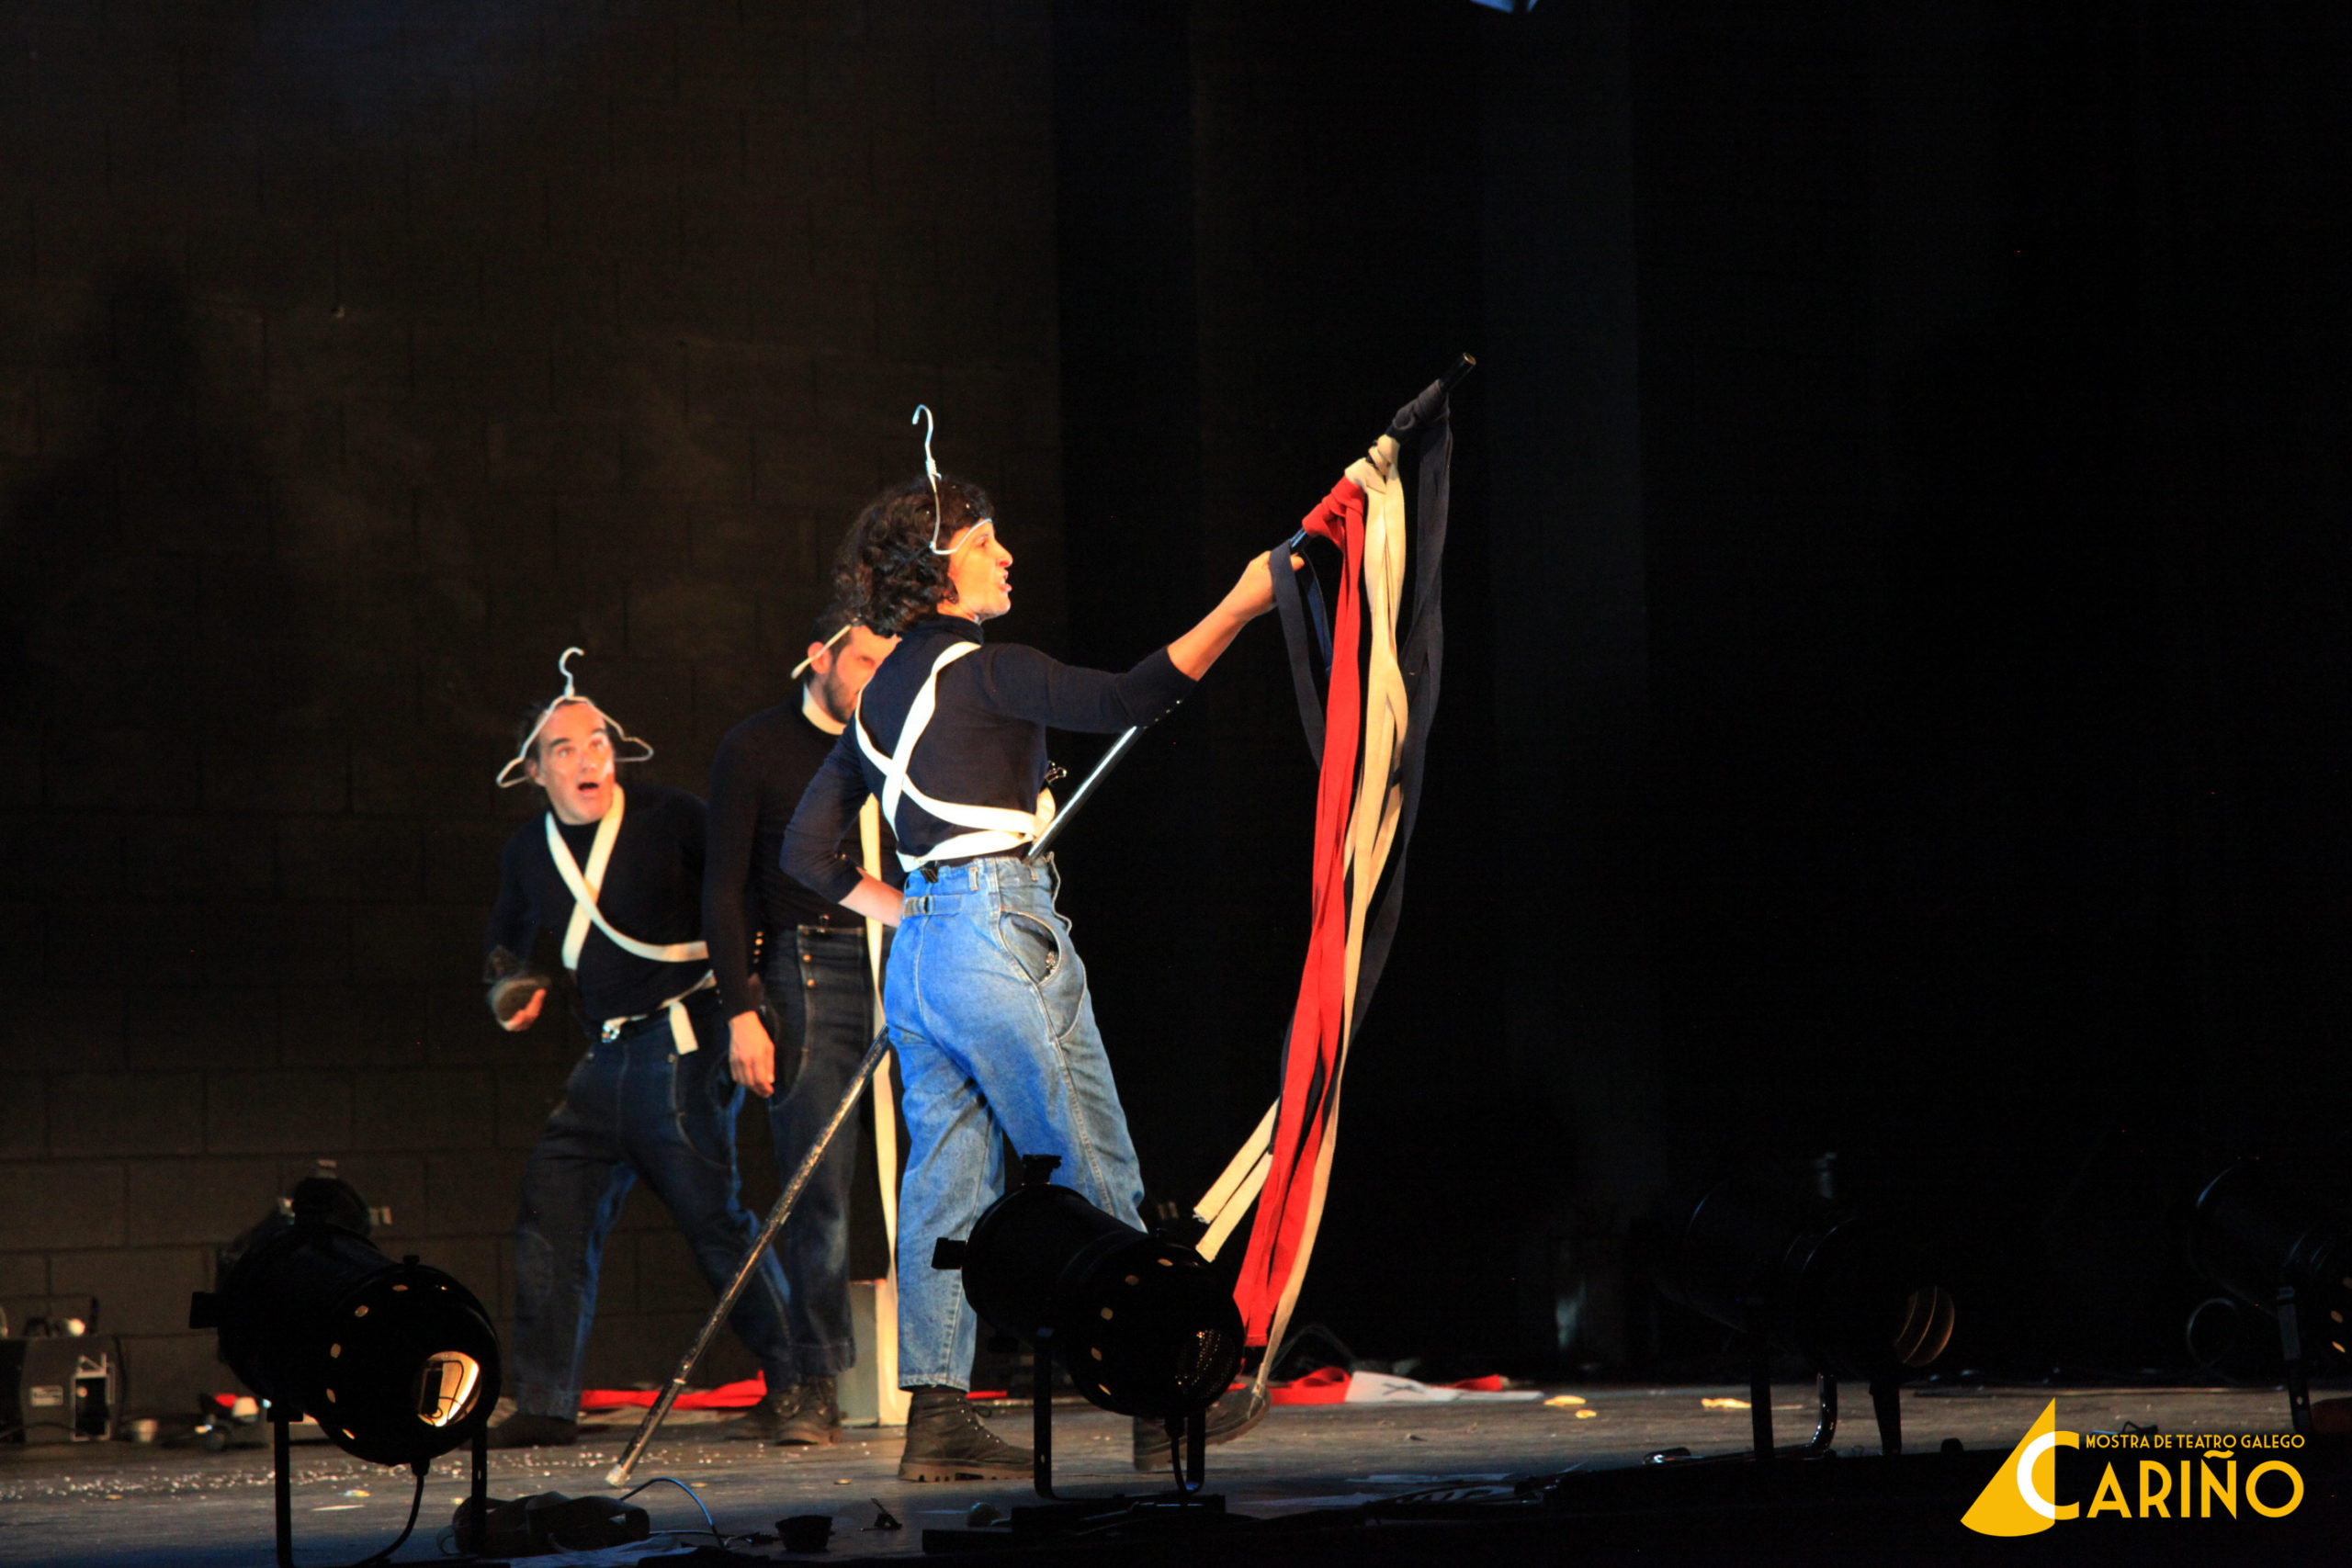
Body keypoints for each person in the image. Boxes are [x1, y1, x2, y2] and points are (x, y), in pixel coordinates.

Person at [782, 473, 1288, 1482]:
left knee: (945, 1184)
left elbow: (807, 852)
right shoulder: (989, 670)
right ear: (935, 568)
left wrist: (918, 911)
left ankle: (936, 1419)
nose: (1005, 556)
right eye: (985, 541)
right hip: (997, 935)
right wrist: (1243, 600)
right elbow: (1134, 699)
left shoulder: (878, 696)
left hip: (922, 959)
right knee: (1093, 1161)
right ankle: (1158, 1399)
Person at [479, 657, 802, 1448]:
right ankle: (548, 1401)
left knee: (714, 1223)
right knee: (551, 1213)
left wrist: (746, 1007)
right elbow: (505, 947)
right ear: (533, 769)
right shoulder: (529, 851)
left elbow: (740, 898)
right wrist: (510, 991)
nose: (588, 760)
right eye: (565, 749)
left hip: (683, 1046)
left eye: (598, 743)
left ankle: (800, 1381)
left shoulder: (672, 816)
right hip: (605, 1060)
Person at [702, 606, 900, 1444]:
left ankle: (940, 1384)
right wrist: (743, 1008)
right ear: (817, 656)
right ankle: (813, 1380)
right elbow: (724, 885)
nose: (874, 683)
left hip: (907, 953)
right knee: (815, 1182)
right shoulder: (756, 747)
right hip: (811, 963)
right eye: (862, 663)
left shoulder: (901, 737)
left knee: (934, 1171)